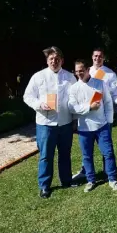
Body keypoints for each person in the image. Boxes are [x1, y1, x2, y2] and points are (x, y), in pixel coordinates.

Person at [23, 46, 76, 198]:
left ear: (62, 60)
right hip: (45, 123)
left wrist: (75, 119)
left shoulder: (69, 77)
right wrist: (39, 104)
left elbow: (75, 99)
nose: (54, 61)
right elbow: (27, 96)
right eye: (51, 59)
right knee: (46, 155)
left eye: (57, 58)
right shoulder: (38, 77)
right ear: (47, 61)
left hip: (65, 123)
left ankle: (66, 180)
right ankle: (45, 186)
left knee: (65, 153)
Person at [68, 59, 117, 192]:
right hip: (84, 128)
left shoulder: (100, 83)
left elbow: (108, 103)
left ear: (87, 70)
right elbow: (72, 107)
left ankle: (112, 179)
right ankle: (91, 180)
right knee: (87, 156)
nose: (79, 73)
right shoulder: (74, 88)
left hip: (101, 125)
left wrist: (109, 121)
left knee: (108, 153)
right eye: (77, 71)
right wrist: (89, 108)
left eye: (81, 70)